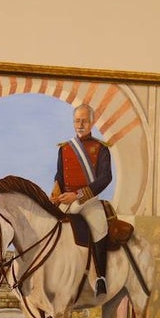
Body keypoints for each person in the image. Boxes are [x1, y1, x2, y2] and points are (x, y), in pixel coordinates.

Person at [51, 103, 113, 296]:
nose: (80, 124)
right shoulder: (64, 149)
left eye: (84, 120)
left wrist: (77, 195)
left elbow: (106, 178)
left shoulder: (101, 149)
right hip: (66, 200)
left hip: (87, 200)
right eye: (77, 120)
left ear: (92, 122)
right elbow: (60, 176)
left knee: (100, 226)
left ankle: (100, 278)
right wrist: (55, 193)